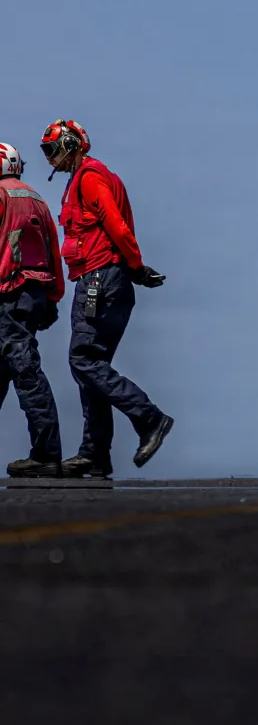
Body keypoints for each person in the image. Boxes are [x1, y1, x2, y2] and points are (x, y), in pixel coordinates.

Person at [40, 119, 173, 479]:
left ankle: (150, 418)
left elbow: (115, 224)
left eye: (53, 148)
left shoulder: (89, 177)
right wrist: (134, 270)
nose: (50, 157)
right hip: (109, 280)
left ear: (72, 144)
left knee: (83, 360)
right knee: (92, 367)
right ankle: (94, 454)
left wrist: (136, 265)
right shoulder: (95, 177)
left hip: (99, 279)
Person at [0, 142, 65, 477]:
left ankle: (46, 454)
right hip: (34, 295)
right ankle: (46, 452)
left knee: (25, 371)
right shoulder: (36, 197)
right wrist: (53, 297)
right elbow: (53, 249)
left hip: (7, 295)